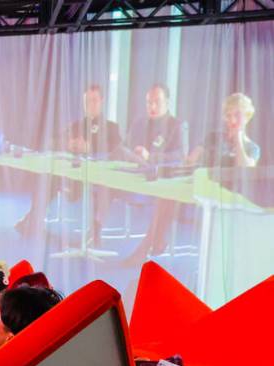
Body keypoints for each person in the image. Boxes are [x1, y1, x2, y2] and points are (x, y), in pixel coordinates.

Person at [126, 92, 260, 264]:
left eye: (237, 115)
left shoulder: (252, 147)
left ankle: (151, 246)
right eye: (228, 115)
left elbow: (246, 169)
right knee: (166, 194)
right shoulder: (214, 137)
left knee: (169, 200)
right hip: (203, 187)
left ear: (247, 116)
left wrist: (238, 139)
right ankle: (150, 245)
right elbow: (191, 158)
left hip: (230, 198)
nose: (232, 120)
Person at [15, 85, 122, 245]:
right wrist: (68, 144)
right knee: (48, 176)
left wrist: (90, 148)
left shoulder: (112, 128)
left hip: (99, 178)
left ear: (102, 101)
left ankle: (95, 231)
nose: (90, 105)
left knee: (104, 187)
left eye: (94, 100)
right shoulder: (76, 125)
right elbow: (52, 142)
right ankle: (33, 217)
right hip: (73, 177)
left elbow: (116, 151)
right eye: (87, 101)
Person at [120, 85, 188, 263]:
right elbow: (125, 145)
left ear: (167, 102)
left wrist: (151, 156)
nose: (152, 106)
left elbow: (180, 156)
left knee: (166, 198)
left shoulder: (178, 125)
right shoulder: (139, 123)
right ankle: (95, 231)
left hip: (162, 179)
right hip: (135, 174)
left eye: (156, 102)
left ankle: (145, 248)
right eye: (149, 102)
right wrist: (131, 153)